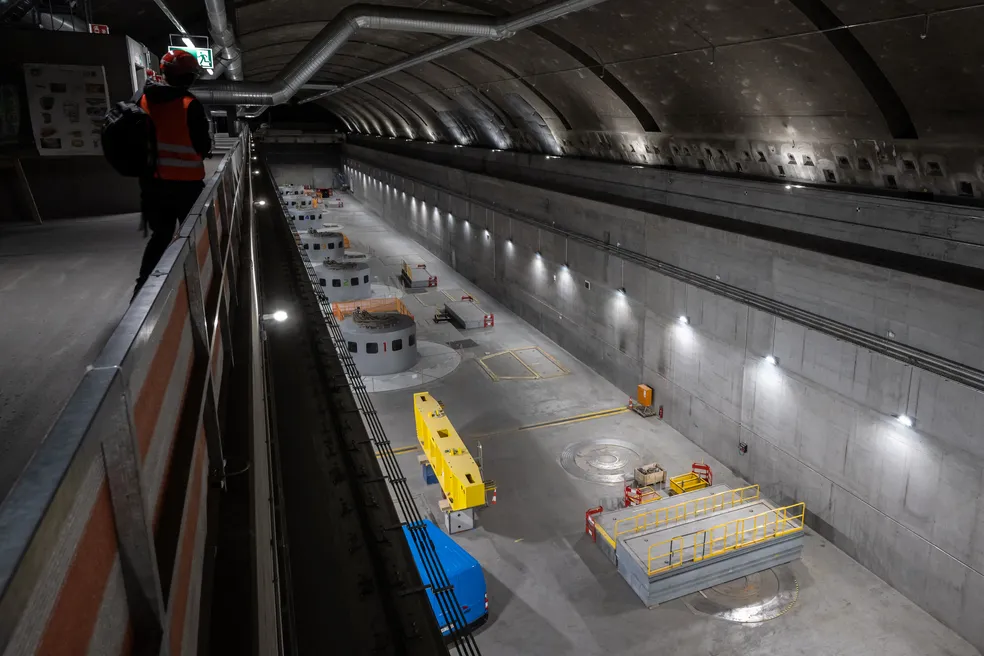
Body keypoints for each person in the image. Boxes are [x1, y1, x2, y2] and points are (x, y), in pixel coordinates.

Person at [133, 49, 212, 301]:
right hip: (187, 185)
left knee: (160, 236)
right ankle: (193, 287)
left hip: (153, 183)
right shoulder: (190, 104)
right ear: (189, 78)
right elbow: (203, 146)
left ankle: (142, 291)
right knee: (193, 233)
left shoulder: (142, 99)